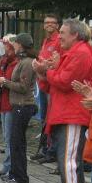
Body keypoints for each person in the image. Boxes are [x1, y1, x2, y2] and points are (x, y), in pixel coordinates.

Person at [36, 19, 92, 183]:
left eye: (63, 33)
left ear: (75, 34)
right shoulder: (73, 52)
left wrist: (47, 71)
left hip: (73, 113)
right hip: (65, 112)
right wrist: (46, 72)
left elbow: (64, 81)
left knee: (69, 161)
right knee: (66, 160)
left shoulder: (80, 53)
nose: (60, 37)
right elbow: (54, 83)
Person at [0, 33, 37, 183]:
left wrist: (5, 82)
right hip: (18, 104)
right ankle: (14, 174)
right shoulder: (22, 61)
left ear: (21, 45)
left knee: (17, 143)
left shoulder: (27, 63)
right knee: (15, 141)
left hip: (23, 105)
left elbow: (23, 87)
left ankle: (21, 177)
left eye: (16, 43)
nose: (14, 46)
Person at [31, 14, 62, 164]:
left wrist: (43, 65)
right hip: (44, 82)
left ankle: (51, 150)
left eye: (52, 22)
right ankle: (45, 148)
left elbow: (55, 62)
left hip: (51, 84)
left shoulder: (58, 41)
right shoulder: (46, 41)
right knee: (45, 118)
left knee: (51, 118)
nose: (49, 25)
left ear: (57, 25)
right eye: (46, 22)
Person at [0, 34, 18, 178]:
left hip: (10, 103)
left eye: (6, 46)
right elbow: (3, 76)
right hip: (5, 102)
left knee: (10, 138)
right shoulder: (7, 61)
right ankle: (7, 166)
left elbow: (7, 79)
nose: (4, 49)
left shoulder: (15, 62)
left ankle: (10, 167)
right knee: (7, 137)